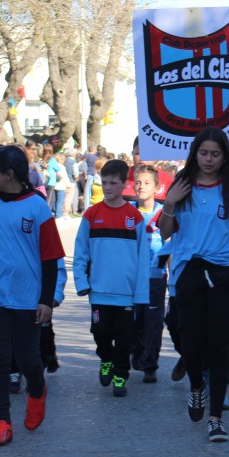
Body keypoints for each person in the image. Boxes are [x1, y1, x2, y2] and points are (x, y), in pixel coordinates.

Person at [0, 145, 65, 447]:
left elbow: (50, 257)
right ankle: (2, 421)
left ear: (9, 174)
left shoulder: (37, 207)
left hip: (27, 296)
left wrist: (47, 299)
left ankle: (37, 388)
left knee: (28, 358)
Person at [158, 128, 229, 443]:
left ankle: (216, 418)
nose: (209, 159)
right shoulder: (182, 184)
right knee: (191, 342)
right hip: (189, 272)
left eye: (216, 154)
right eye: (204, 153)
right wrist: (170, 203)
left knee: (219, 345)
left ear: (224, 156)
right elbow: (165, 232)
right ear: (195, 153)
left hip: (223, 274)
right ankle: (196, 386)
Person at [73, 159, 149, 397]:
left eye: (113, 183)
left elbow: (143, 259)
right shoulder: (91, 215)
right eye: (104, 182)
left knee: (125, 339)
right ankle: (105, 359)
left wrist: (141, 295)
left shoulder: (135, 217)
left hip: (125, 293)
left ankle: (120, 375)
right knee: (101, 333)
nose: (108, 187)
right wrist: (81, 282)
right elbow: (80, 251)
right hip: (99, 291)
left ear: (124, 185)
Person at [131, 164, 166, 384]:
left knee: (154, 321)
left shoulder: (164, 213)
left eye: (146, 183)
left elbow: (170, 244)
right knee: (135, 319)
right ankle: (137, 349)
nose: (141, 187)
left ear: (157, 187)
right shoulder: (127, 212)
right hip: (132, 276)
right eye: (137, 182)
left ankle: (150, 364)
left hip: (155, 275)